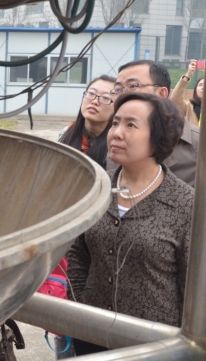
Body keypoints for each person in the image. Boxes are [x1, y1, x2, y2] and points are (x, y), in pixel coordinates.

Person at [67, 93, 193, 356]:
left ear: (158, 139)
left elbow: (192, 287)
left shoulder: (186, 204)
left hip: (155, 345)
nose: (116, 133)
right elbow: (78, 256)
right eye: (115, 123)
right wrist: (79, 308)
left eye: (131, 125)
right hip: (91, 334)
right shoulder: (96, 189)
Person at [108, 60, 199, 186]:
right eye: (118, 89)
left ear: (161, 93)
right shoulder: (114, 137)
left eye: (133, 86)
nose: (122, 96)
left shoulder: (201, 145)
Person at [59, 75, 116, 169]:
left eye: (105, 98)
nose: (94, 101)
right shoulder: (67, 132)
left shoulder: (115, 145)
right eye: (91, 93)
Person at [170, 59, 202, 125]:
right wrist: (188, 74)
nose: (203, 87)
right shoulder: (188, 107)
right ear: (195, 90)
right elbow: (175, 99)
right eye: (200, 85)